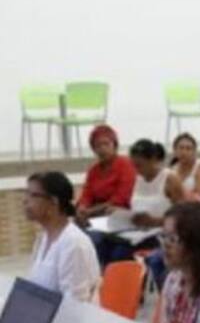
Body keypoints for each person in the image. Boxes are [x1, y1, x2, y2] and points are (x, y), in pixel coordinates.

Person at [96, 139, 186, 269]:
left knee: (120, 253)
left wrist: (155, 221)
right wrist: (119, 212)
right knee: (102, 243)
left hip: (160, 232)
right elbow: (136, 206)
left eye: (140, 165)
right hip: (137, 231)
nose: (136, 169)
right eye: (133, 165)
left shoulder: (170, 179)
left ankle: (128, 284)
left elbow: (183, 216)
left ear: (153, 160)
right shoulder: (138, 178)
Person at [23, 171, 100, 302]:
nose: (25, 201)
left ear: (54, 202)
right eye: (27, 194)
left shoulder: (74, 244)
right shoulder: (43, 237)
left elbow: (76, 305)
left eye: (34, 195)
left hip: (72, 320)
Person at [74, 124, 136, 223]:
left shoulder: (125, 165)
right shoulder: (93, 170)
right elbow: (86, 194)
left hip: (119, 211)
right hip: (95, 212)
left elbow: (120, 199)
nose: (102, 149)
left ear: (114, 145)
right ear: (93, 149)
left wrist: (90, 211)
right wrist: (82, 207)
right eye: (98, 145)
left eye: (106, 144)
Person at [170, 133, 200, 200]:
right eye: (181, 148)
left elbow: (199, 195)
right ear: (175, 150)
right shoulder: (173, 170)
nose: (184, 152)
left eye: (188, 149)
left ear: (194, 151)